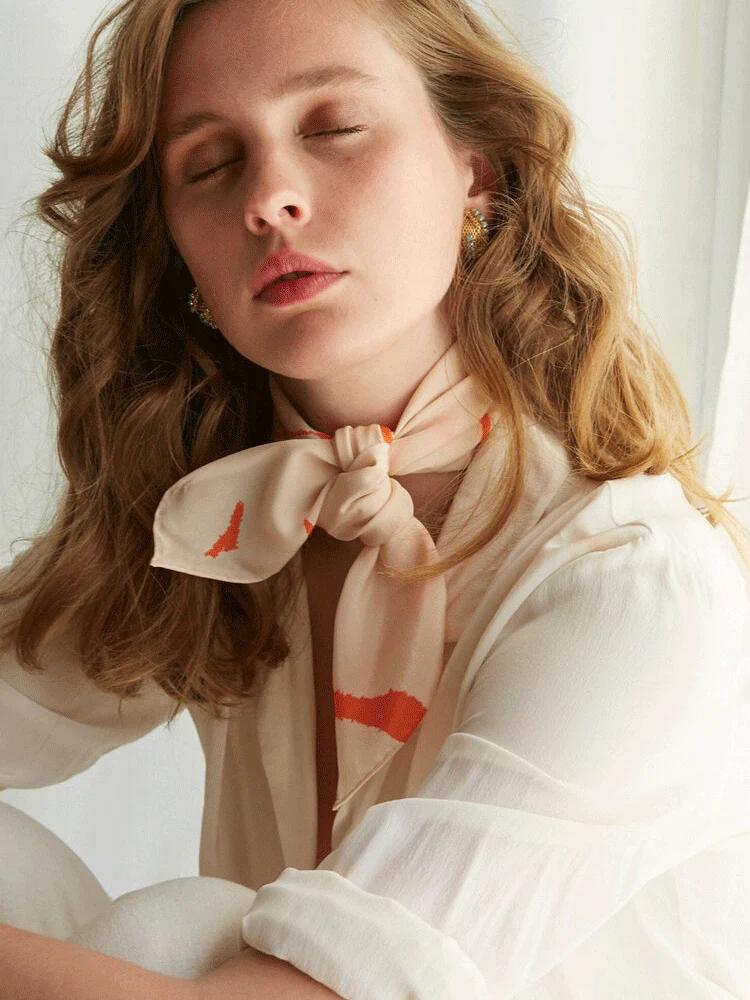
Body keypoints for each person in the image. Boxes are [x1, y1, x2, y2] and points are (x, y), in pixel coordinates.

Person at [1, 0, 749, 997]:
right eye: (209, 166)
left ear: (474, 168)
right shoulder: (209, 520)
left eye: (333, 128)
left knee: (179, 931)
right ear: (179, 250)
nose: (269, 199)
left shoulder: (633, 584)